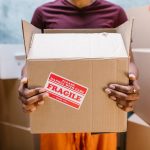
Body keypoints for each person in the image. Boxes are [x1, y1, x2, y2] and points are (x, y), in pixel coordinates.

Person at [18, 0, 140, 150]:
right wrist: (26, 83)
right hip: (57, 115)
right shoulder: (43, 13)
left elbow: (129, 62)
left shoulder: (115, 13)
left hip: (101, 116)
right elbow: (30, 63)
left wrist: (131, 81)